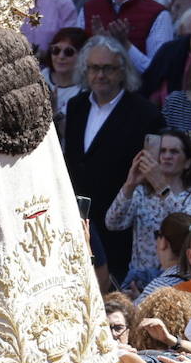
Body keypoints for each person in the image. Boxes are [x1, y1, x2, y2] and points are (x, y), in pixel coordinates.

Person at [63, 34, 165, 278]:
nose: (100, 75)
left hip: (120, 228)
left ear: (122, 71)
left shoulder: (145, 114)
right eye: (94, 68)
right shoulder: (76, 106)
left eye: (107, 68)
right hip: (78, 221)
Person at [105, 130, 191, 289]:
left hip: (176, 280)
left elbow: (186, 228)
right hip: (137, 280)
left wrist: (161, 186)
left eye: (174, 152)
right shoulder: (141, 192)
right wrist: (130, 184)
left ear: (187, 163)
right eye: (162, 151)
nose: (167, 156)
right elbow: (112, 223)